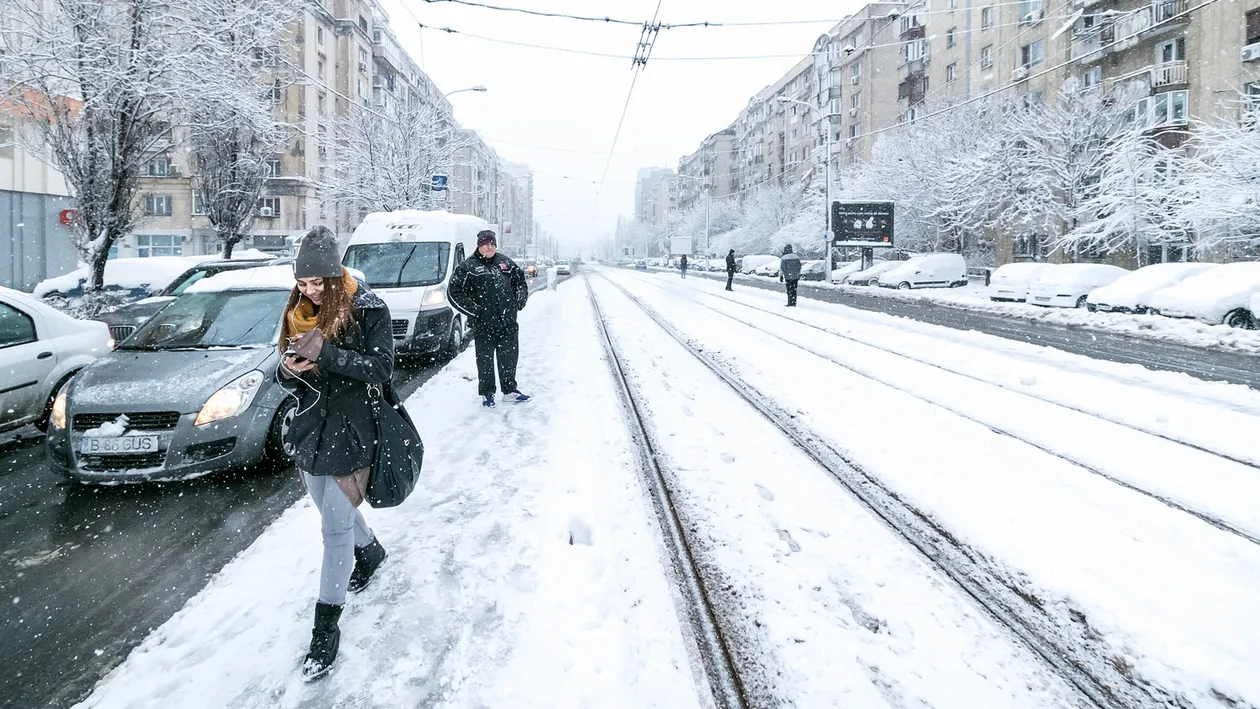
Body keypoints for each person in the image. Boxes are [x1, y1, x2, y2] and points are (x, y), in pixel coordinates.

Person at [278, 226, 394, 681]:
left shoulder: (369, 308)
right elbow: (284, 370)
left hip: (354, 430)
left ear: (334, 275)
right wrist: (290, 368)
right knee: (327, 509)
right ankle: (371, 553)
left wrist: (326, 354)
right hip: (311, 430)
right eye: (302, 283)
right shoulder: (298, 309)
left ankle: (324, 632)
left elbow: (381, 369)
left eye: (317, 283)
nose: (309, 292)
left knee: (334, 527)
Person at [449, 230, 530, 408]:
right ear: (479, 246)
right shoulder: (468, 267)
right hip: (484, 324)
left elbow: (520, 282)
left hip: (508, 323)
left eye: (492, 244)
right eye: (486, 244)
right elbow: (453, 292)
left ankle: (509, 390)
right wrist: (475, 310)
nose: (490, 247)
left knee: (508, 357)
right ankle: (487, 393)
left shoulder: (505, 262)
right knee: (485, 360)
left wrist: (520, 299)